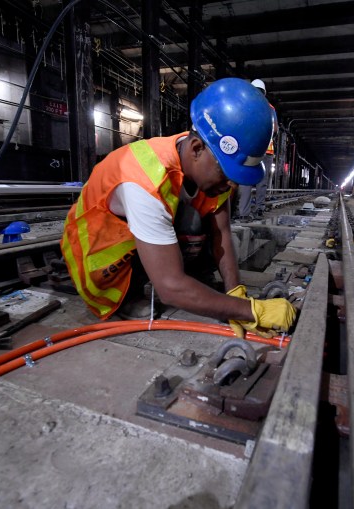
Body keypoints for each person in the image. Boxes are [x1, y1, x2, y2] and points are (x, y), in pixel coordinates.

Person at [61, 78, 296, 338]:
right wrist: (250, 311)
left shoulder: (206, 164)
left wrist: (234, 292)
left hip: (141, 239)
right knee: (188, 229)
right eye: (226, 172)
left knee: (198, 220)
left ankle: (195, 289)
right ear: (196, 149)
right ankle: (125, 295)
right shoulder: (144, 179)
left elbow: (223, 233)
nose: (232, 183)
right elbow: (169, 288)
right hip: (102, 260)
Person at [236, 79, 275, 221]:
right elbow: (275, 129)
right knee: (262, 181)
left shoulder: (245, 105)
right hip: (267, 150)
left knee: (245, 179)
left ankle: (243, 212)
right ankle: (259, 209)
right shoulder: (270, 107)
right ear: (264, 92)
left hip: (249, 147)